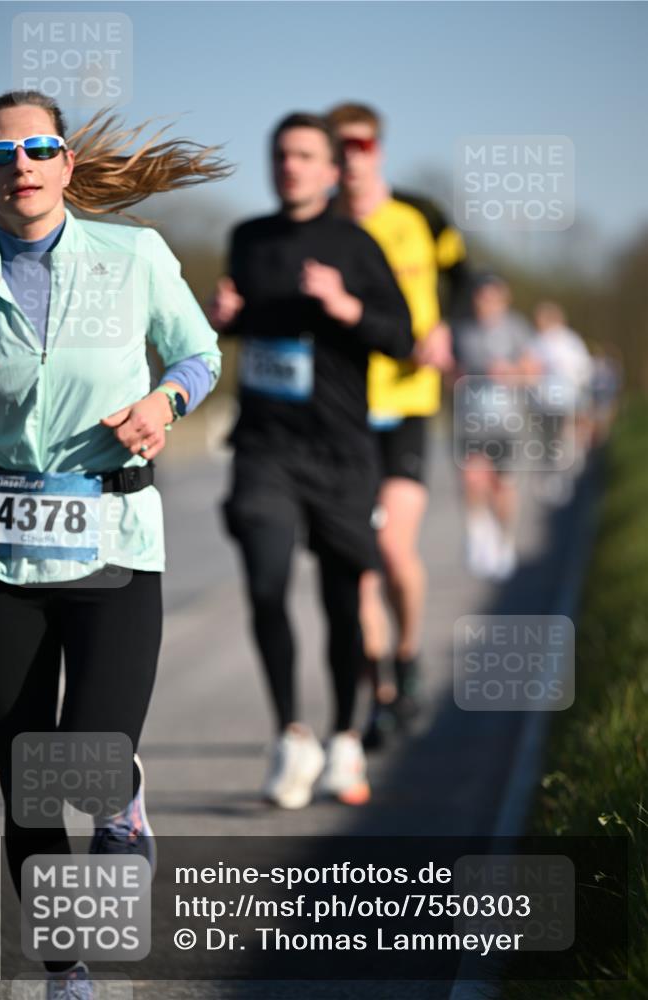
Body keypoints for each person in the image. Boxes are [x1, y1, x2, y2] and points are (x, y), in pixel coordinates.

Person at [0, 90, 225, 997]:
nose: (20, 167)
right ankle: (67, 970)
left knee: (82, 756)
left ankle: (122, 801)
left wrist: (164, 405)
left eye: (38, 148)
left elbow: (200, 352)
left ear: (66, 163)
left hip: (114, 541)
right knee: (29, 784)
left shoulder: (135, 256)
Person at [208, 112, 412, 810]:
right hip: (265, 445)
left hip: (340, 450)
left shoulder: (355, 245)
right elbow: (244, 329)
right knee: (265, 580)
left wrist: (344, 305)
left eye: (303, 155)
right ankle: (291, 736)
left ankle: (344, 737)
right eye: (280, 155)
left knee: (339, 601)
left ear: (330, 170)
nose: (289, 166)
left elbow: (403, 337)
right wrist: (223, 319)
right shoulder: (248, 239)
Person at [326, 102, 468, 746]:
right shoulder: (319, 223)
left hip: (408, 401)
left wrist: (444, 327)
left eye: (360, 144)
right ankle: (379, 689)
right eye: (338, 146)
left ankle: (408, 655)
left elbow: (461, 280)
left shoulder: (421, 215)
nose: (350, 156)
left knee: (391, 546)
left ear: (377, 147)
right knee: (356, 556)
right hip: (344, 407)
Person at [453, 272, 538, 581]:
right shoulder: (461, 330)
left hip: (507, 420)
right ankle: (477, 534)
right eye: (481, 297)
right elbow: (451, 373)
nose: (486, 303)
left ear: (504, 299)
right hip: (471, 419)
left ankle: (503, 541)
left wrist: (510, 372)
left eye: (493, 298)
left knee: (502, 487)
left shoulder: (517, 329)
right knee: (472, 480)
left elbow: (532, 373)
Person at [531, 301, 593, 504]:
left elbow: (583, 370)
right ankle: (554, 478)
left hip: (563, 400)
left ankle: (562, 476)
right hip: (545, 401)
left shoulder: (568, 342)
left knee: (561, 439)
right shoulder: (538, 341)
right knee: (550, 441)